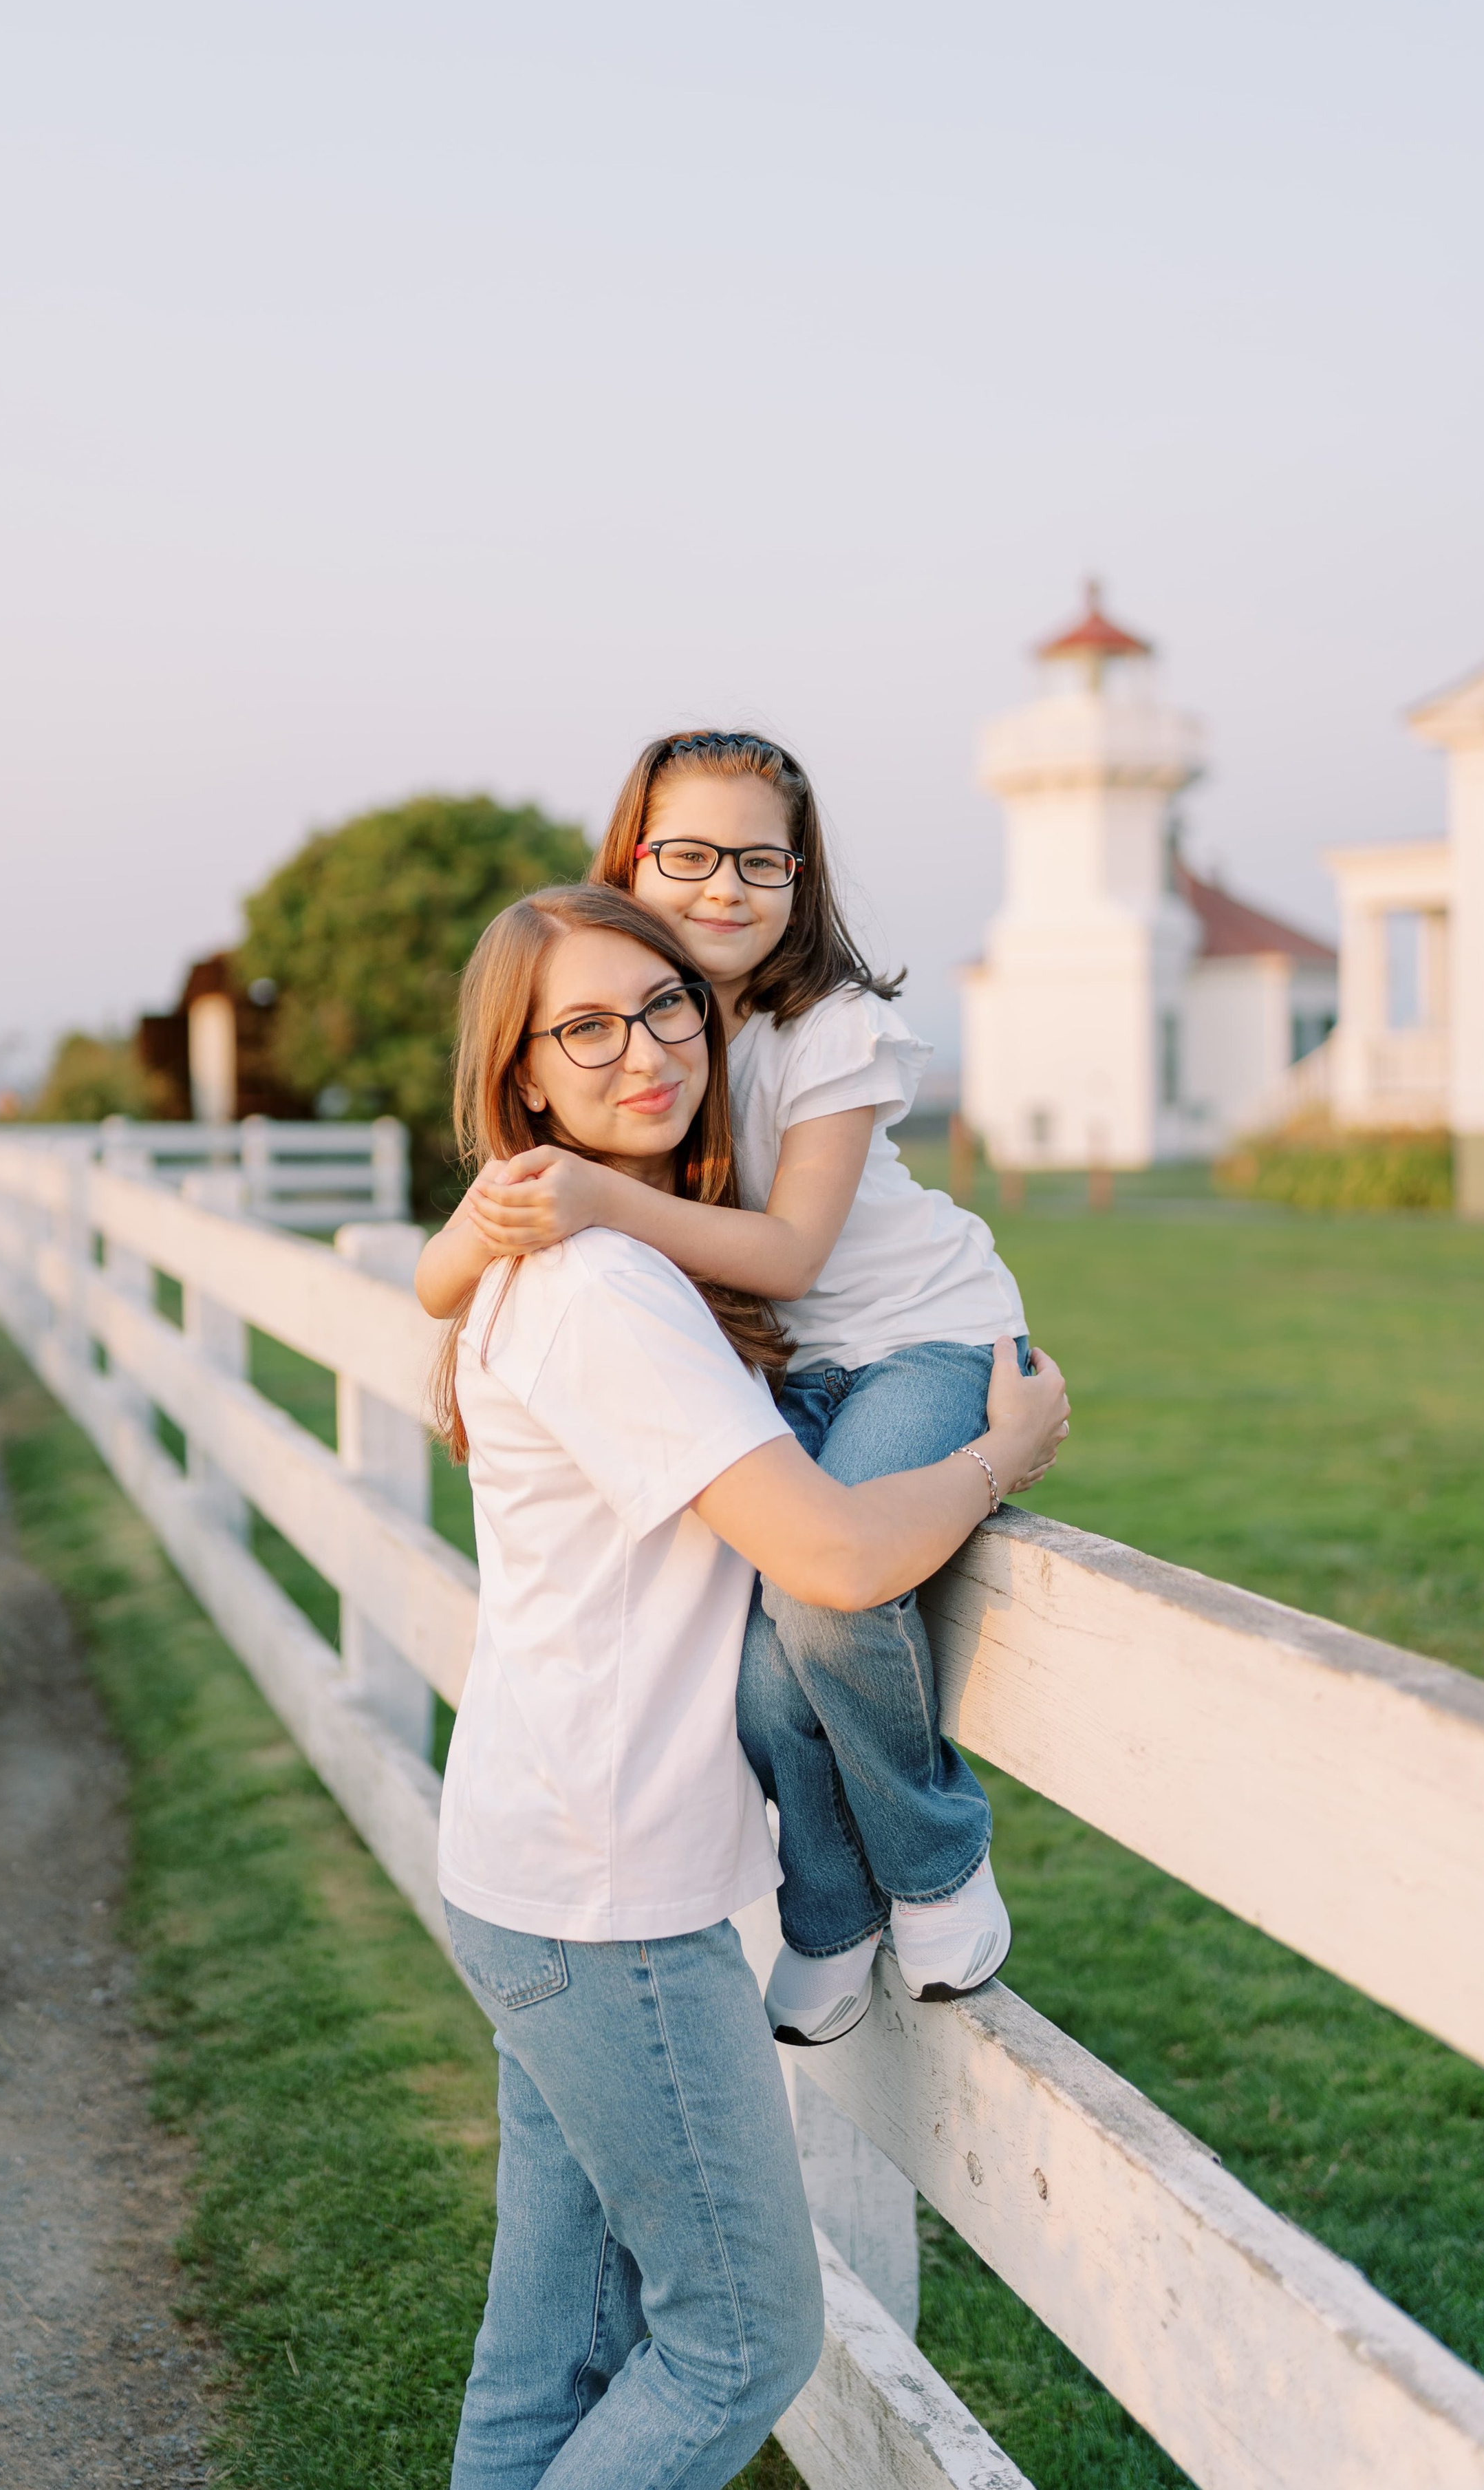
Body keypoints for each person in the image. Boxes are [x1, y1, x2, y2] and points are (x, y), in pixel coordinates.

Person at [418, 883, 1068, 2488]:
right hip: (605, 1891)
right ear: (521, 1080)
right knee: (738, 2337)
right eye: (585, 1026)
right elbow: (837, 1559)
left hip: (531, 1860)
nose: (641, 1049)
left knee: (553, 2344)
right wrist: (998, 1455)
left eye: (662, 1009)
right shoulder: (603, 1293)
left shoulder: (588, 1248)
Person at [418, 732, 1037, 2047]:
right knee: (768, 1685)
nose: (724, 887)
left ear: (800, 876)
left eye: (762, 860)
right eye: (687, 855)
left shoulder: (830, 1031)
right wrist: (478, 1268)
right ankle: (830, 1904)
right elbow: (435, 1273)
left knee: (826, 1599)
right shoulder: (652, 1029)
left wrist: (589, 1196)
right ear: (632, 861)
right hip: (805, 1367)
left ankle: (931, 1861)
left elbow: (793, 1254)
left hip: (920, 1341)